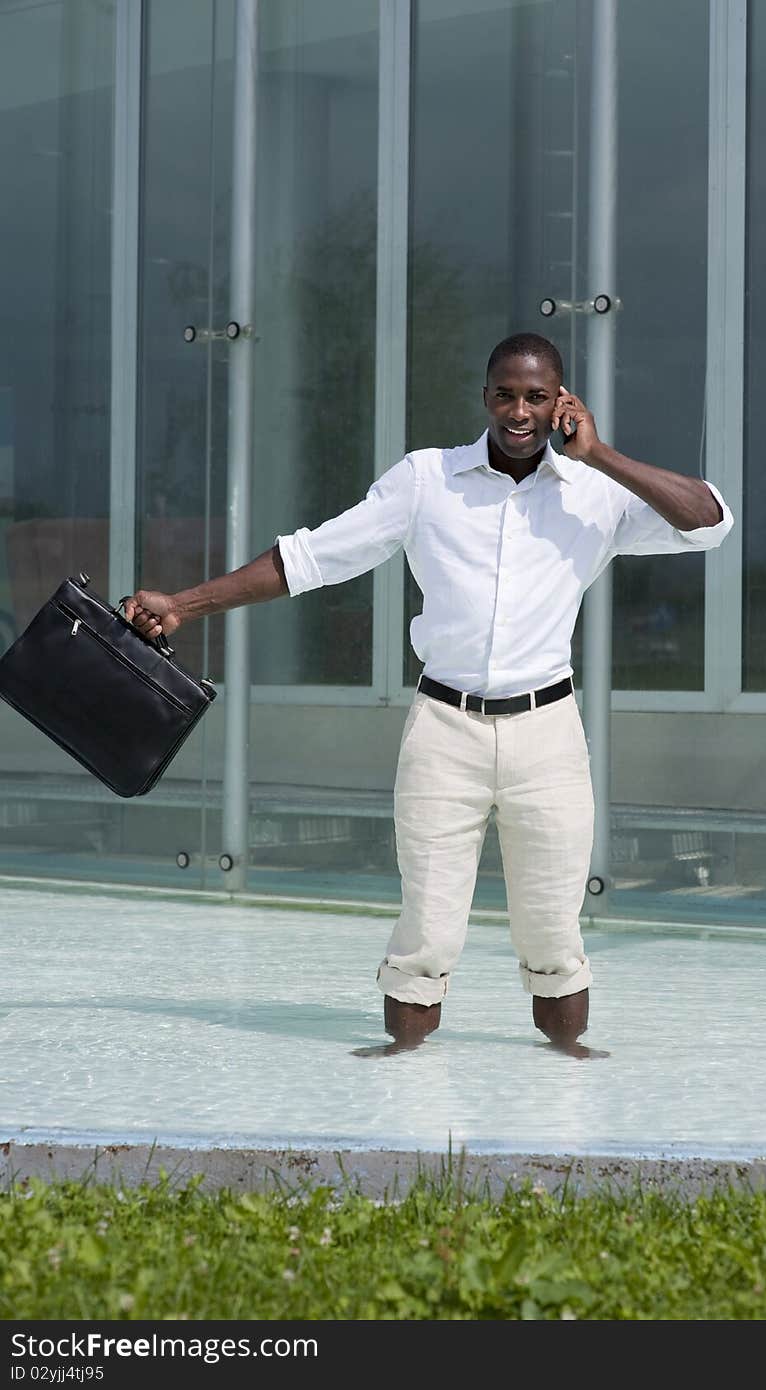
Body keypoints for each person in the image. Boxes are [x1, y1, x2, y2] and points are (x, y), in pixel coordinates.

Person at [125, 332, 733, 1060]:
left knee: (552, 928)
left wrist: (598, 454)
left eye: (536, 397)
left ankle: (569, 1089)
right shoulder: (427, 481)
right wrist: (185, 605)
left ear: (561, 404)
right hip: (445, 728)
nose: (518, 411)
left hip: (548, 736)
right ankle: (402, 1080)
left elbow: (710, 522)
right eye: (505, 394)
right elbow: (312, 558)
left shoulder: (594, 496)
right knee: (428, 927)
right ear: (484, 398)